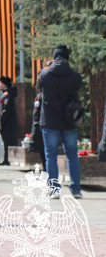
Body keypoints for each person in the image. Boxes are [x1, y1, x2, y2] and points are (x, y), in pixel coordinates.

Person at [38, 45, 83, 199]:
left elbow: (39, 89)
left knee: (51, 155)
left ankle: (54, 190)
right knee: (72, 155)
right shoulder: (75, 76)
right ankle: (76, 189)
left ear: (54, 57)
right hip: (69, 120)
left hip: (50, 121)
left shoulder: (44, 74)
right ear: (67, 58)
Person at [0, 76, 18, 166]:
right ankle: (6, 159)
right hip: (6, 121)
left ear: (4, 84)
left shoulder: (7, 95)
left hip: (7, 122)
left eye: (0, 83)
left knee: (6, 140)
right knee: (5, 140)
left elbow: (6, 109)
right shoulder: (4, 94)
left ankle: (7, 159)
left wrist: (0, 120)